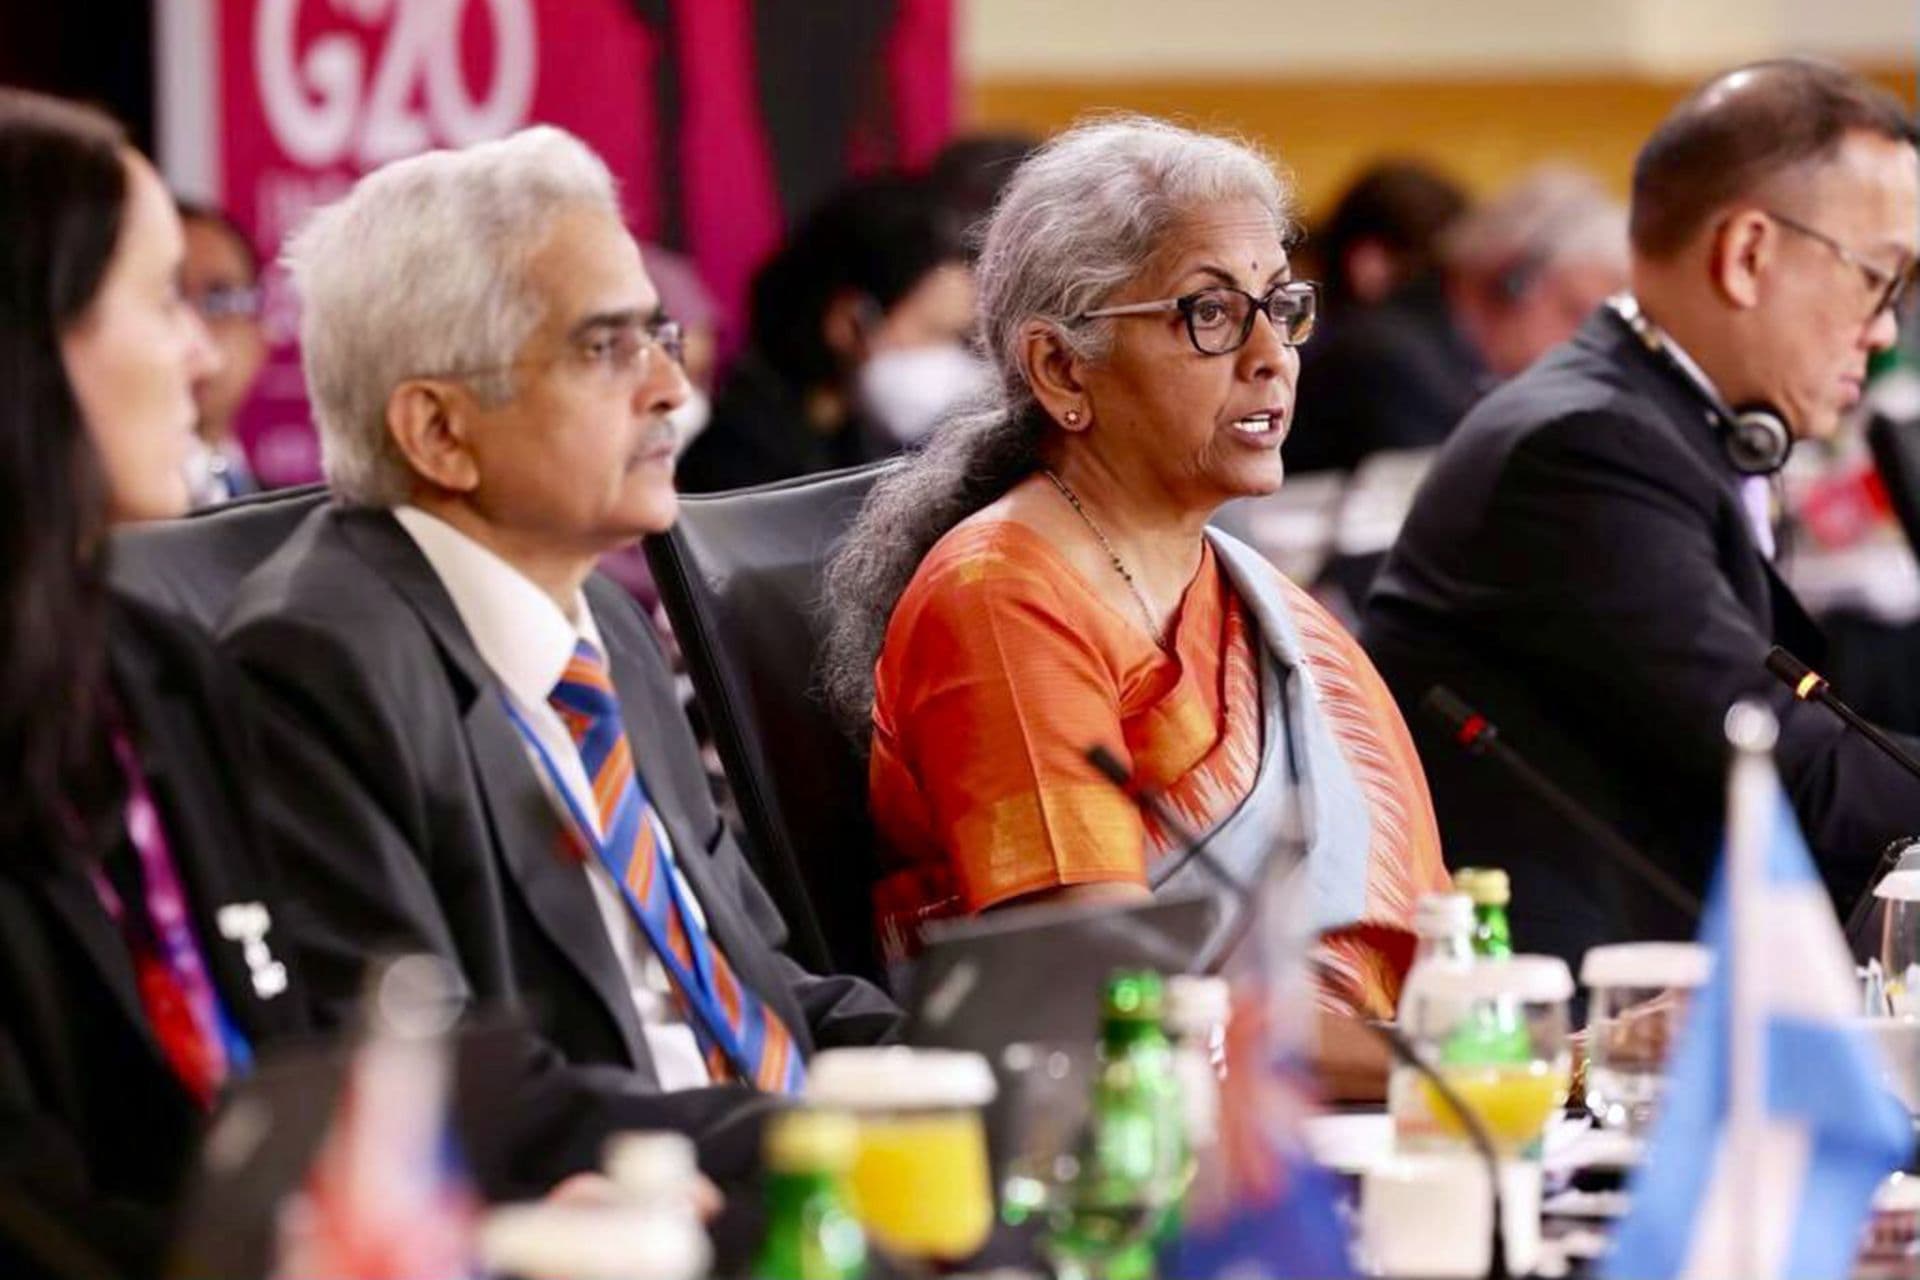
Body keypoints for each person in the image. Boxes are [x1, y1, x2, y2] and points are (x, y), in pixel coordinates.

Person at [218, 128, 899, 1201]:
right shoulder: (318, 660)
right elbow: (443, 1085)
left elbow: (755, 980)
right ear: (440, 430)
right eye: (605, 348)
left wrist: (945, 1067)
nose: (673, 387)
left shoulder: (610, 633)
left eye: (659, 336)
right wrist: (802, 1140)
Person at [821, 118, 1451, 1084]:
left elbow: (1421, 946)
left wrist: (1523, 1055)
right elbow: (1112, 1000)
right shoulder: (1002, 600)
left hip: (1368, 1118)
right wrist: (1482, 1066)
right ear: (1062, 370)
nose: (1271, 356)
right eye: (1208, 313)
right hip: (1138, 1166)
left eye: (1279, 306)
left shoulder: (1265, 606)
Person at [1363, 59, 1920, 970]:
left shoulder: (1664, 416)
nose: (1887, 328)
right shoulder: (1581, 448)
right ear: (1747, 256)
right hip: (1567, 1032)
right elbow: (1778, 759)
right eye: (1878, 278)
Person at [0, 89, 306, 1276]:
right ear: (34, 339)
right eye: (162, 297)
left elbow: (282, 1038)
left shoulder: (159, 664)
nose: (203, 351)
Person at [1287, 166, 1626, 474]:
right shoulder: (1390, 361)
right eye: (1574, 312)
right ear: (1512, 281)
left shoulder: (1454, 363)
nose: (1586, 342)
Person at [676, 175, 981, 491]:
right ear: (848, 322)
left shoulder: (858, 438)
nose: (945, 359)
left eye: (957, 341)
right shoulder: (740, 453)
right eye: (929, 334)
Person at [176, 200, 267, 504]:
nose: (195, 331)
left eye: (219, 299)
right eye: (168, 298)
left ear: (261, 334)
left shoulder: (303, 524)